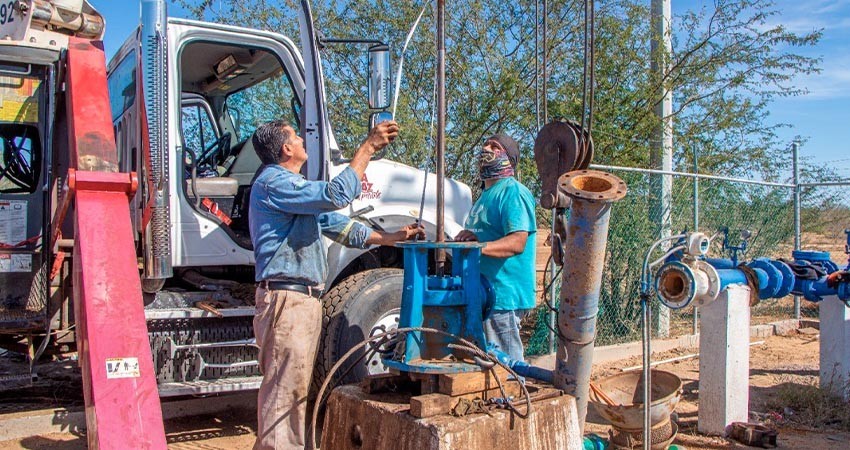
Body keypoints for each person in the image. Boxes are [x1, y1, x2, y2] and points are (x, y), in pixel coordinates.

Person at [248, 119, 423, 449]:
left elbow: (338, 226)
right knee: (284, 395)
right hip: (288, 300)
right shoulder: (274, 182)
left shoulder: (295, 192)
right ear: (286, 149)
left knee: (294, 391)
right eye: (296, 136)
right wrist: (368, 147)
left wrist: (390, 238)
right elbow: (337, 194)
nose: (302, 140)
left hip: (300, 301)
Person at [455, 133, 536, 362]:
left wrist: (478, 247)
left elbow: (517, 242)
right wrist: (472, 237)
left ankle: (515, 387)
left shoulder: (513, 192)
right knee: (487, 362)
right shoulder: (485, 196)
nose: (486, 148)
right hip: (484, 294)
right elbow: (488, 235)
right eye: (486, 144)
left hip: (503, 295)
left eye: (495, 146)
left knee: (506, 366)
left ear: (508, 158)